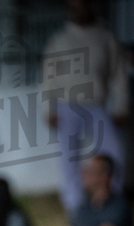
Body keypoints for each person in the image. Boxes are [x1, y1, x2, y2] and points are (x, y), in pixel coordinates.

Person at [41, 0, 128, 213]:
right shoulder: (59, 40)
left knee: (114, 151)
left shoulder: (105, 38)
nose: (78, 10)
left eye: (82, 5)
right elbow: (47, 77)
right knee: (69, 157)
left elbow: (118, 75)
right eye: (73, 6)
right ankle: (75, 207)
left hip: (96, 104)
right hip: (66, 105)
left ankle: (110, 199)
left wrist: (122, 106)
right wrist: (47, 109)